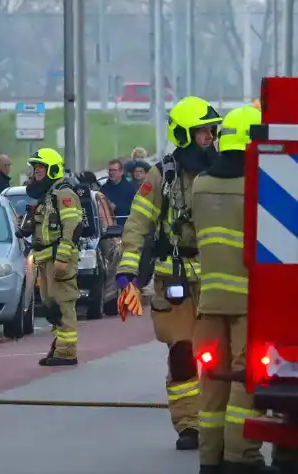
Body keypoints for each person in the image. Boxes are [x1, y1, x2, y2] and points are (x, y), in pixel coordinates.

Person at [115, 95, 223, 451]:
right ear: (184, 135)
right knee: (182, 354)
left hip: (217, 279)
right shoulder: (161, 176)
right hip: (173, 279)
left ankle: (217, 421)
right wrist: (128, 270)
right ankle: (188, 424)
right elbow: (137, 224)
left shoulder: (224, 170)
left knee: (221, 354)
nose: (209, 137)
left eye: (211, 131)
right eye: (202, 132)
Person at [191, 105, 272, 474]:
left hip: (209, 301)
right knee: (244, 377)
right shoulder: (258, 186)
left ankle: (210, 459)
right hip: (247, 301)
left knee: (211, 379)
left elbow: (190, 235)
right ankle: (242, 457)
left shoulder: (200, 185)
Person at [19, 148, 85, 367]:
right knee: (50, 305)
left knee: (64, 304)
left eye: (41, 168)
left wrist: (63, 257)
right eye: (35, 168)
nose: (36, 172)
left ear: (52, 169)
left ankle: (67, 352)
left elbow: (72, 226)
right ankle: (59, 345)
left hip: (59, 258)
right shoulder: (48, 194)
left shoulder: (64, 194)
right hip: (46, 257)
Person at [101, 159, 136, 227]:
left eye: (114, 170)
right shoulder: (103, 189)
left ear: (121, 172)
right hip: (108, 228)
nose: (111, 172)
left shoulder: (130, 189)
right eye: (110, 170)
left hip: (125, 226)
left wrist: (115, 207)